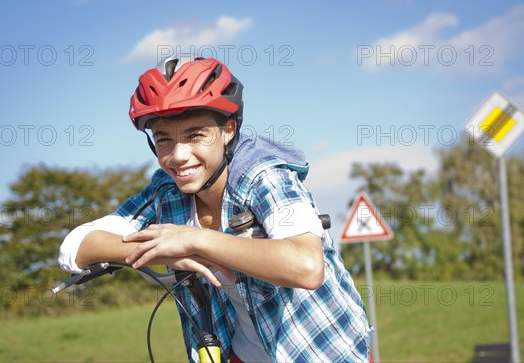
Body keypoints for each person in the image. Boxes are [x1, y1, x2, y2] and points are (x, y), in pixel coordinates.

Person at [59, 57, 371, 362]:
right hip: (238, 353)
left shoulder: (262, 174)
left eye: (195, 135)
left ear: (228, 129)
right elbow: (74, 248)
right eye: (163, 139)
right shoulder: (167, 191)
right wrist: (162, 250)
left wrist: (196, 240)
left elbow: (306, 266)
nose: (178, 156)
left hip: (320, 351)